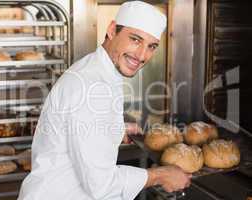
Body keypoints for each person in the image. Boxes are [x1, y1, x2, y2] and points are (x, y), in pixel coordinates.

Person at [18, 1, 191, 200]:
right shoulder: (92, 86)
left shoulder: (96, 69)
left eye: (151, 46)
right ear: (111, 30)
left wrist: (113, 128)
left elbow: (79, 127)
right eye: (135, 40)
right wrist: (160, 175)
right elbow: (100, 185)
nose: (142, 55)